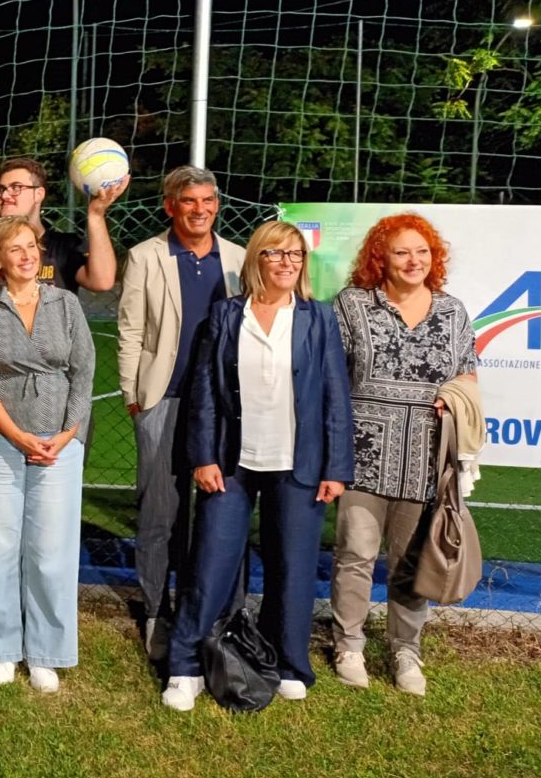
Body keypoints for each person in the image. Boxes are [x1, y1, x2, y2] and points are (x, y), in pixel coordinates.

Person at [162, 220, 353, 711]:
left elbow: (335, 396)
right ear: (256, 260)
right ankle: (186, 665)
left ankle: (289, 663)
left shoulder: (318, 318)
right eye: (275, 253)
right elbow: (204, 392)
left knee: (292, 568)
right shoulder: (227, 315)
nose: (287, 262)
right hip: (232, 464)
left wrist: (336, 467)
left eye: (295, 254)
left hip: (299, 464)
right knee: (210, 564)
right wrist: (204, 456)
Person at [330, 213, 477, 696]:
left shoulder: (452, 311)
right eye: (401, 252)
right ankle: (349, 645)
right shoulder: (353, 304)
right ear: (381, 258)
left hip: (425, 457)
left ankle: (405, 650)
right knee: (355, 554)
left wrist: (455, 397)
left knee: (411, 560)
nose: (414, 261)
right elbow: (329, 375)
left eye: (422, 252)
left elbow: (468, 373)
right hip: (361, 453)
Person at [0, 217, 96, 694]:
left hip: (59, 442)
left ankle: (46, 651)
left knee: (51, 549)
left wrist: (67, 433)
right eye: (14, 249)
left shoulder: (65, 304)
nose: (26, 255)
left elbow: (83, 372)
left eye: (31, 247)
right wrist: (16, 434)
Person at [115, 165, 246, 657]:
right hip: (163, 398)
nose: (200, 209)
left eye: (208, 200)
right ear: (170, 205)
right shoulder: (145, 256)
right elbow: (130, 330)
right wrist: (133, 394)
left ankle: (209, 609)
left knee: (218, 510)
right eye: (189, 201)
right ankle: (155, 610)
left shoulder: (236, 258)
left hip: (221, 404)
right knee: (159, 513)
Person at [0, 155, 127, 295]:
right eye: (1, 189)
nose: (5, 196)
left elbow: (102, 282)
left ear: (39, 194)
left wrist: (96, 215)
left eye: (16, 188)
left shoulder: (65, 246)